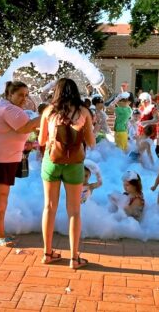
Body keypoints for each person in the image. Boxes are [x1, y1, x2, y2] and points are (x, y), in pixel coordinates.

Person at [0, 81, 40, 247]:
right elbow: (24, 128)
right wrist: (46, 116)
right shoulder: (8, 108)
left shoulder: (9, 107)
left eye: (26, 95)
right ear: (9, 95)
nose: (24, 98)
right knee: (0, 196)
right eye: (20, 95)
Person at [38, 78, 95, 269]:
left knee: (49, 207)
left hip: (52, 162)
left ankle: (47, 254)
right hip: (74, 164)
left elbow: (41, 140)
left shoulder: (48, 111)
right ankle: (74, 258)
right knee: (74, 210)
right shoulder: (84, 112)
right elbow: (92, 142)